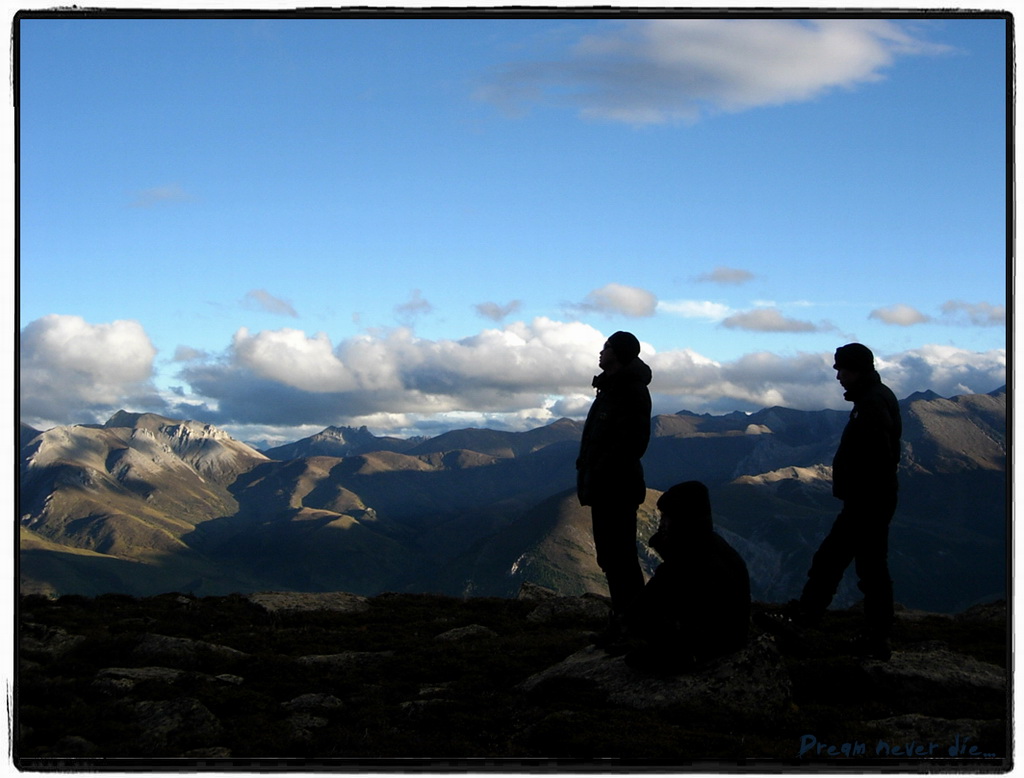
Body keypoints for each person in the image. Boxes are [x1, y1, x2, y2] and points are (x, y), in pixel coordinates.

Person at [787, 343, 902, 660]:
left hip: (867, 501)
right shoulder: (874, 398)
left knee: (848, 563)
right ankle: (866, 630)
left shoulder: (872, 404)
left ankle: (815, 619)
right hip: (872, 498)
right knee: (855, 563)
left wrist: (860, 488)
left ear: (857, 370)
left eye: (842, 369)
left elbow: (879, 455)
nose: (838, 376)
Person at [623, 481, 751, 674]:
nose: (661, 523)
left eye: (666, 517)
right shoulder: (707, 548)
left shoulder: (693, 560)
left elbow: (656, 600)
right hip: (729, 639)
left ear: (681, 520)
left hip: (714, 645)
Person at [576, 331, 652, 626]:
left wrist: (600, 468)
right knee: (610, 556)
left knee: (620, 555)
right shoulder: (611, 389)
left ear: (618, 353)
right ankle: (626, 614)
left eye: (606, 346)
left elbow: (633, 443)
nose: (601, 351)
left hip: (616, 487)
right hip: (606, 486)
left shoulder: (630, 391)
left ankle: (633, 619)